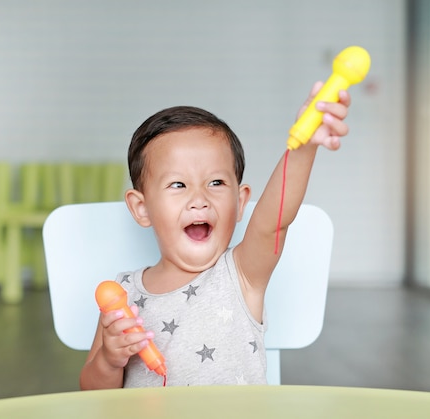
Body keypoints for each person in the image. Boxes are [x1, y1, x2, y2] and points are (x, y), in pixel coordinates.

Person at [80, 82, 351, 389]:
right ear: (141, 208)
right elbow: (92, 393)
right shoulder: (122, 296)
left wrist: (305, 144)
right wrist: (109, 360)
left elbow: (273, 222)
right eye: (179, 185)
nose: (199, 198)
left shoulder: (242, 275)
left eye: (217, 182)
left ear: (240, 202)